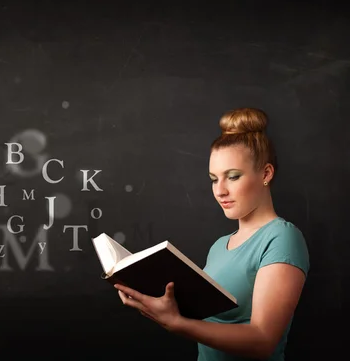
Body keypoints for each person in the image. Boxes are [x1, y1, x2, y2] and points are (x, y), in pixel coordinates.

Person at [114, 107, 310, 361]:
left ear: (266, 173)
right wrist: (153, 298)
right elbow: (204, 322)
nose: (220, 191)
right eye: (214, 179)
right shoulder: (219, 247)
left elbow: (263, 341)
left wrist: (177, 323)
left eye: (233, 177)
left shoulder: (282, 238)